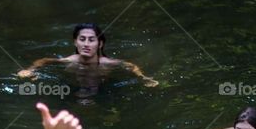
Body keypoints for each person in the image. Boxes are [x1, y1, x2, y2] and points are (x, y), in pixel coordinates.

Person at [17, 23, 158, 88]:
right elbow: (45, 60)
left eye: (91, 40)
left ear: (100, 44)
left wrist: (142, 77)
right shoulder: (69, 61)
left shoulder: (107, 63)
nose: (86, 44)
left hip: (103, 88)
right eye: (82, 39)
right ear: (75, 42)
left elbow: (129, 65)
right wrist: (31, 69)